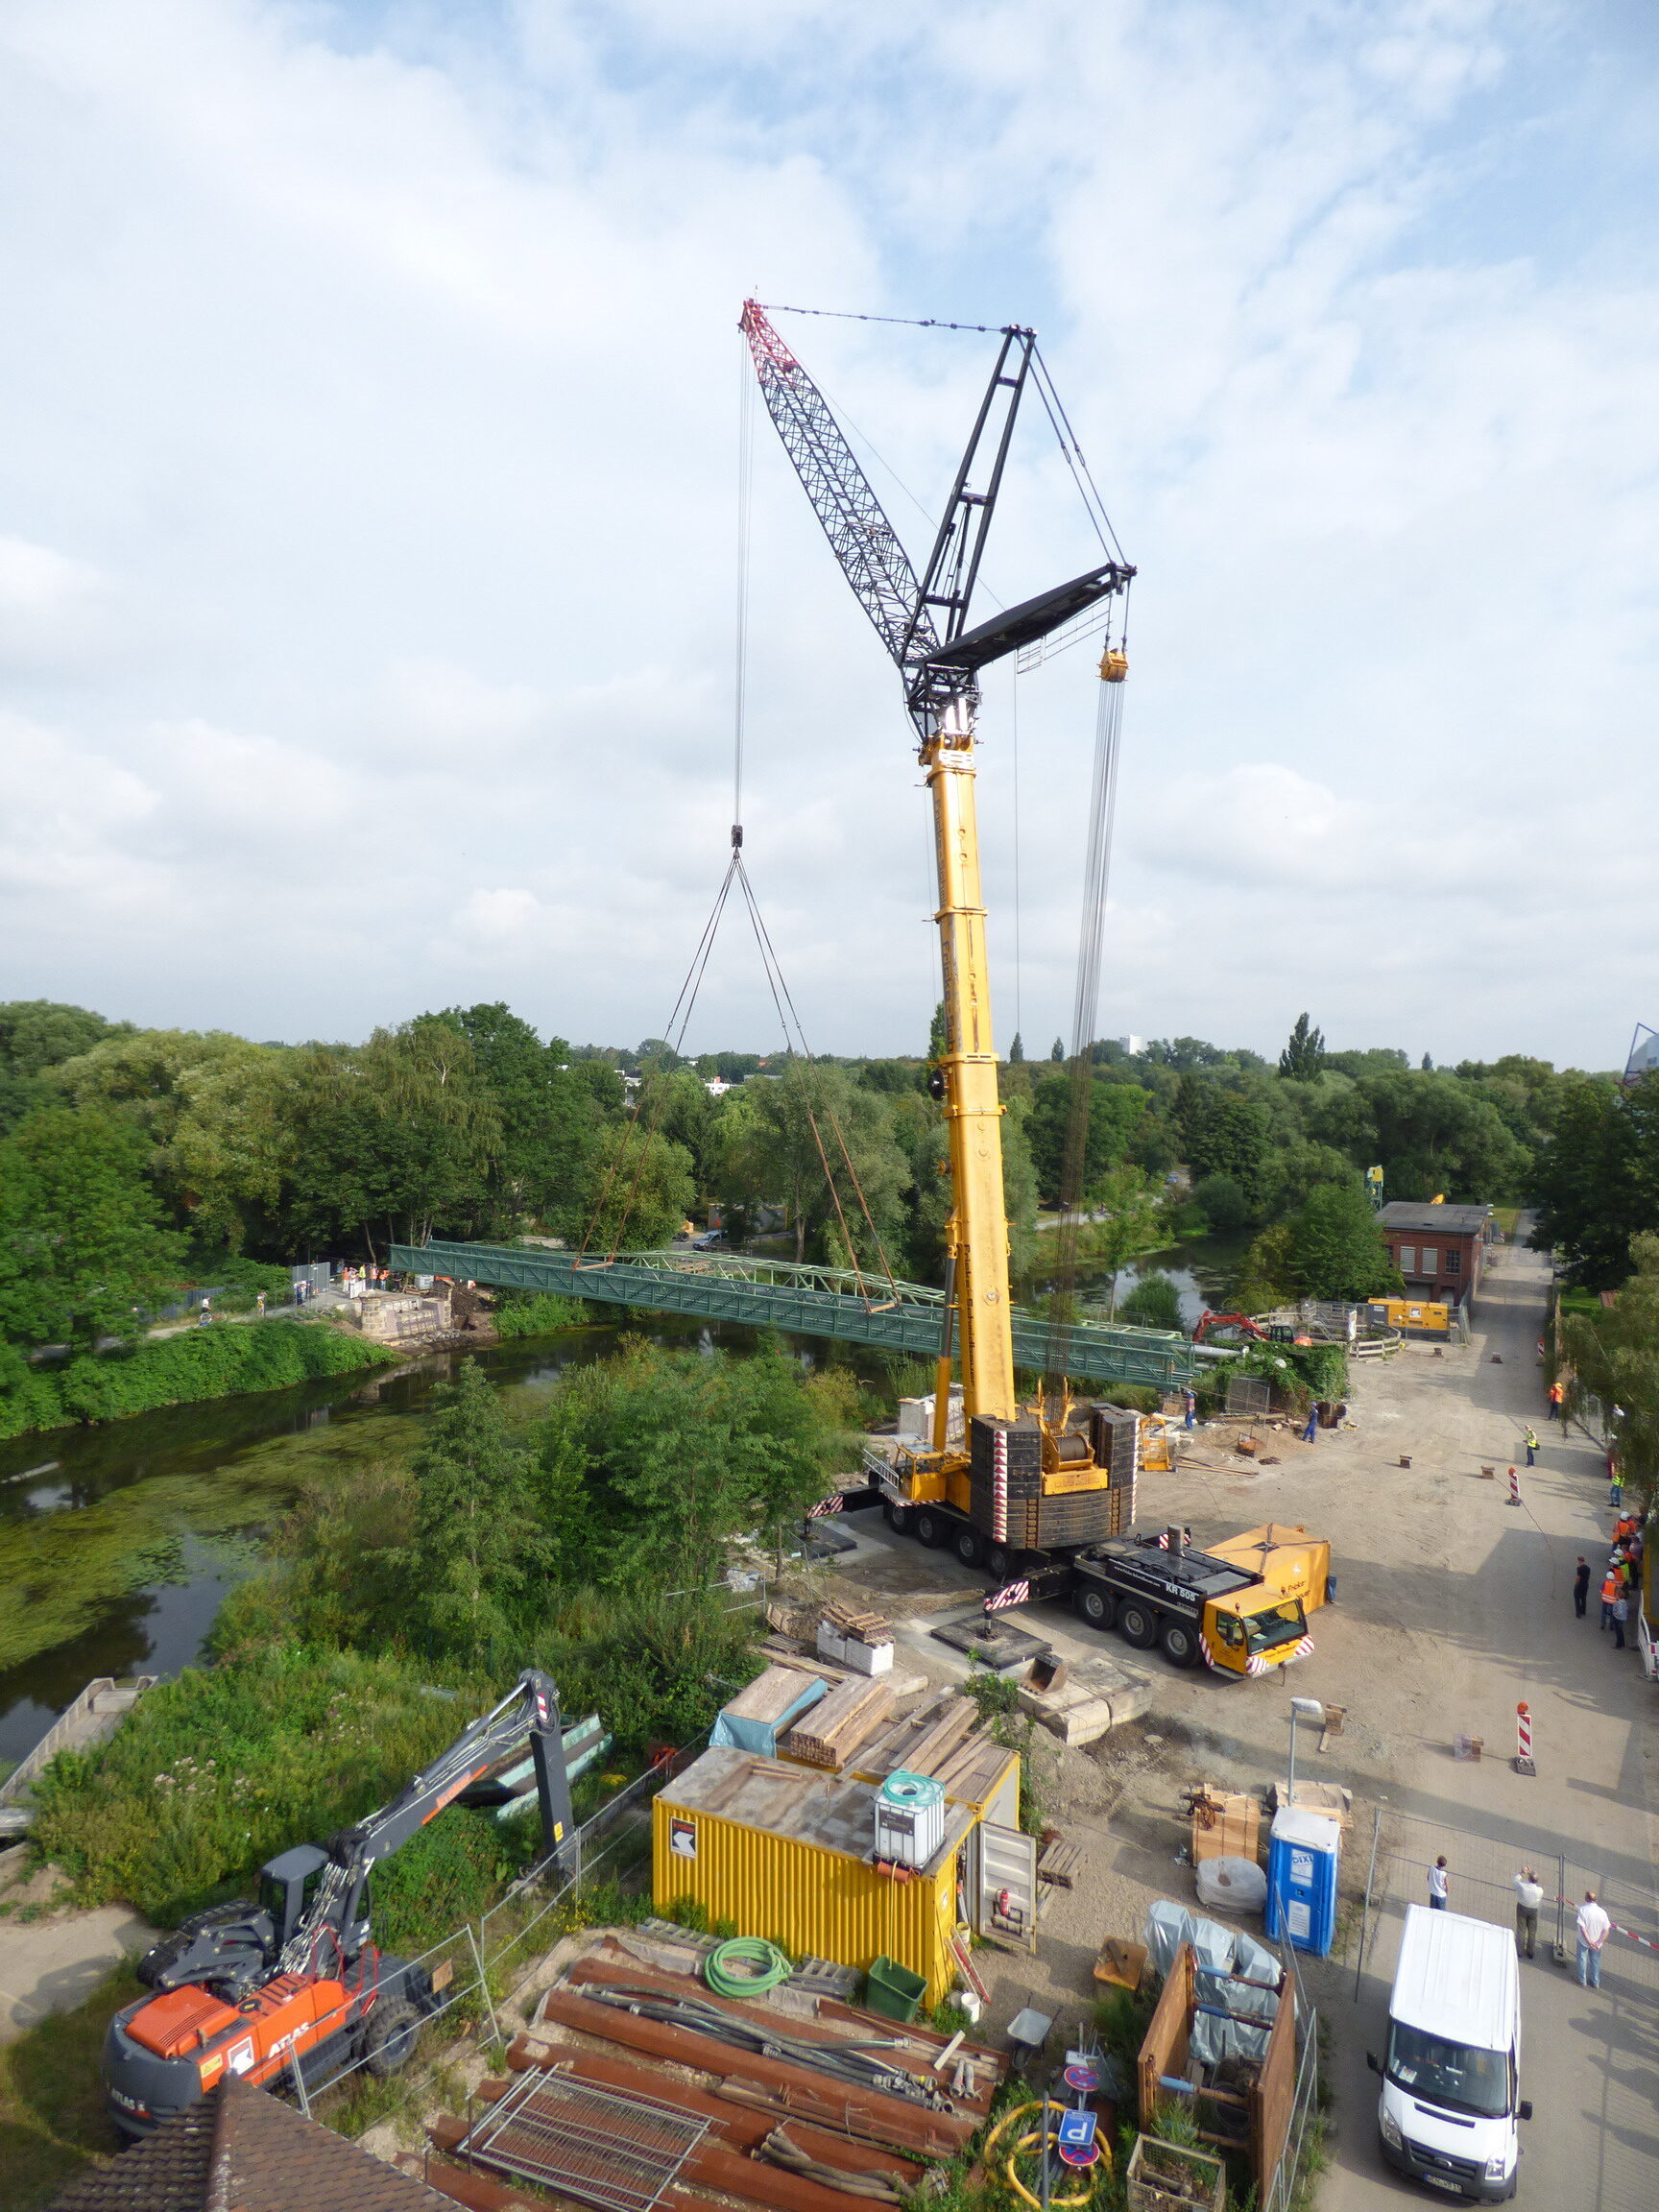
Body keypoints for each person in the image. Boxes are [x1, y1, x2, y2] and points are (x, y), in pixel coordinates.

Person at [1576, 1891, 1610, 1987]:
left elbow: (1583, 1929)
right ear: (1595, 1900)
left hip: (1583, 1940)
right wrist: (1599, 1942)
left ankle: (1582, 1980)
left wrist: (1589, 1941)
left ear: (1586, 1899)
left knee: (1582, 1959)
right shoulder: (1603, 1912)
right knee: (1595, 1961)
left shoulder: (1582, 1910)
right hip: (1597, 1942)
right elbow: (1606, 1930)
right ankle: (1595, 1982)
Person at [1514, 1867, 1543, 1959]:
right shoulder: (1540, 1890)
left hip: (1522, 1907)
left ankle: (1519, 1951)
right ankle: (1530, 1952)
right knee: (1532, 1931)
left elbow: (1515, 1881)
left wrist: (1522, 1873)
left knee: (1521, 1930)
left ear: (1529, 1879)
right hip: (1533, 1910)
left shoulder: (1523, 1886)